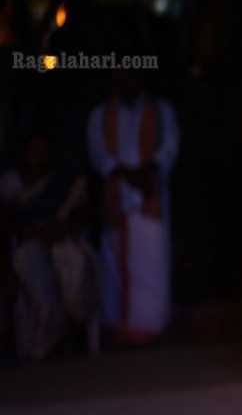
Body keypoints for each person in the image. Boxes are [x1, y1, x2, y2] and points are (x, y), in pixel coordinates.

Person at [87, 68, 179, 343]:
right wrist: (128, 174)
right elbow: (99, 154)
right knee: (114, 269)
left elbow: (169, 150)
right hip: (117, 200)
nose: (124, 79)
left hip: (149, 202)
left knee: (152, 268)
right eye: (118, 74)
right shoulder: (100, 115)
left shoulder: (161, 111)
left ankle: (151, 330)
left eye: (128, 73)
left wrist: (145, 173)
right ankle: (117, 330)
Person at [0, 132, 98, 359]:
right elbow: (7, 221)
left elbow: (84, 216)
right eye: (34, 152)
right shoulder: (13, 182)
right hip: (31, 240)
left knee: (72, 260)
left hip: (61, 238)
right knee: (33, 260)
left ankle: (73, 321)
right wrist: (33, 232)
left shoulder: (64, 181)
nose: (39, 157)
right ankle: (47, 338)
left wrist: (60, 233)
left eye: (44, 152)